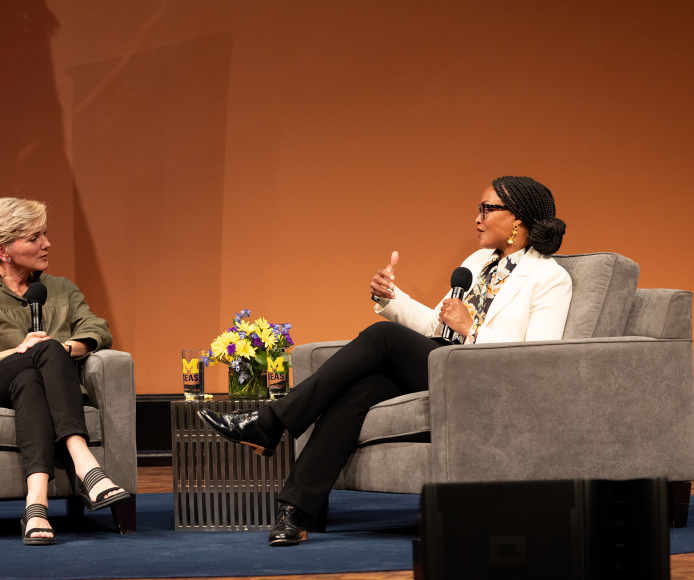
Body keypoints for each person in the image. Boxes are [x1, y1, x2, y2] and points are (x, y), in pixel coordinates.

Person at [198, 176, 572, 546]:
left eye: (487, 209)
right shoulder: (477, 262)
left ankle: (270, 422)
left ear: (518, 220)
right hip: (442, 365)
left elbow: (537, 358)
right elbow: (436, 324)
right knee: (360, 391)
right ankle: (295, 511)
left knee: (383, 337)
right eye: (479, 208)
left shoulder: (549, 278)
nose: (477, 218)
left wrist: (471, 330)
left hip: (486, 380)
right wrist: (392, 297)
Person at [0, 197, 127, 546]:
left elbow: (98, 331)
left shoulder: (62, 289)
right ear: (3, 250)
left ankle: (36, 504)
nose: (47, 244)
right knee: (37, 354)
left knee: (30, 377)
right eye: (34, 238)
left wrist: (62, 348)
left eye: (45, 234)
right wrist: (15, 351)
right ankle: (86, 465)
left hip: (35, 385)